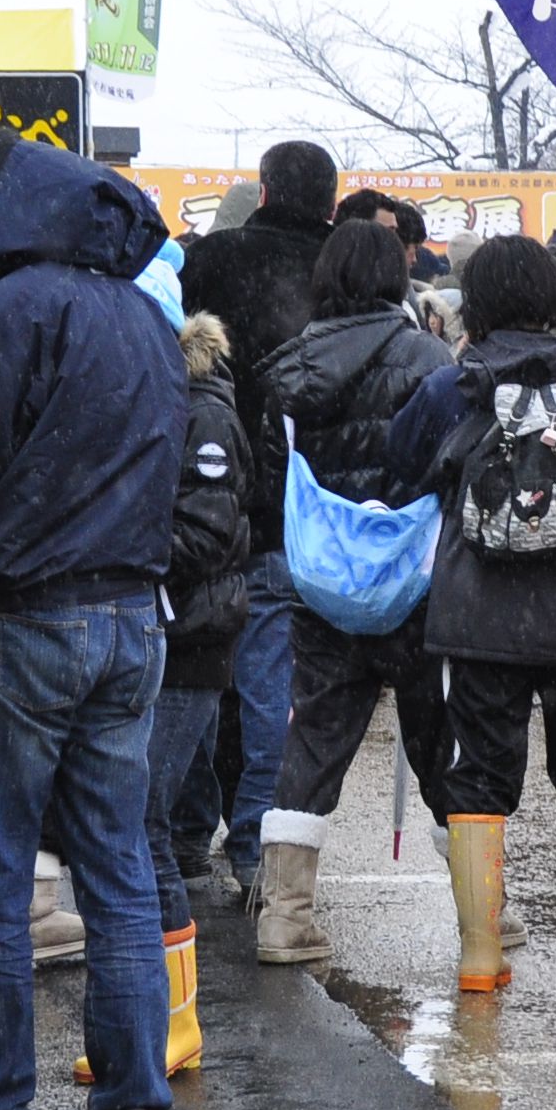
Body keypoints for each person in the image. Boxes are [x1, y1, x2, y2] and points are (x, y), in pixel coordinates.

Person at [0, 131, 185, 1110]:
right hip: (130, 615)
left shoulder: (8, 306)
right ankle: (131, 1104)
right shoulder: (143, 313)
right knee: (117, 866)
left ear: (6, 198)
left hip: (26, 615)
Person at [380, 236, 556, 992]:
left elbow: (398, 461)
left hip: (478, 619)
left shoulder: (454, 388)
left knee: (476, 772)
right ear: (552, 299)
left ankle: (479, 952)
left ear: (479, 303)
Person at [254, 219, 461, 965]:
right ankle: (485, 921)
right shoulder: (429, 359)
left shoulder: (288, 367)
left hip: (322, 583)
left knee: (311, 738)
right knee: (440, 742)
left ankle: (284, 917)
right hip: (415, 583)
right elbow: (451, 468)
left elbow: (271, 480)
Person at [77, 311, 245, 1079]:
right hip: (154, 639)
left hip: (185, 646)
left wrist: (112, 548)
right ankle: (153, 1023)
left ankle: (174, 1024)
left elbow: (207, 531)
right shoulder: (147, 400)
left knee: (143, 826)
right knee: (132, 824)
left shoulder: (200, 409)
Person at [175, 141, 337, 902]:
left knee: (201, 675)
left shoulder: (210, 260)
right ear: (330, 197)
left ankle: (181, 834)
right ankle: (253, 849)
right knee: (273, 687)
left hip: (208, 496)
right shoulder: (340, 266)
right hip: (298, 509)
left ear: (265, 189)